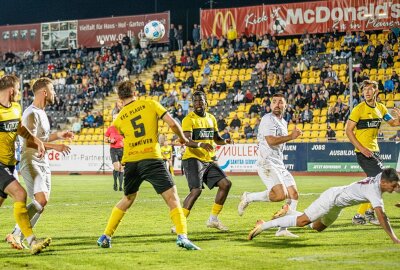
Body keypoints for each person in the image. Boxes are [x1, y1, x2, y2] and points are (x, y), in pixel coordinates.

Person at [97, 81, 200, 250]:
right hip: (151, 158)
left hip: (131, 161)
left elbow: (116, 135)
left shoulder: (120, 117)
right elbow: (173, 123)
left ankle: (105, 236)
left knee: (128, 198)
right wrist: (183, 138)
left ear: (120, 97)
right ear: (135, 92)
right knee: (173, 198)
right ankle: (182, 236)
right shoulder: (150, 104)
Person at [6, 77, 73, 250]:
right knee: (40, 200)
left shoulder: (41, 112)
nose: (55, 93)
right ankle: (16, 233)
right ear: (44, 92)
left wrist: (59, 135)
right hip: (31, 159)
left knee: (41, 204)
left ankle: (16, 234)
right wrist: (56, 147)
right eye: (52, 90)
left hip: (42, 161)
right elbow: (29, 142)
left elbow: (41, 138)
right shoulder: (31, 113)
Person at [248, 168, 400, 243]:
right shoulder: (373, 190)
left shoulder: (383, 175)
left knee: (317, 227)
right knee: (303, 221)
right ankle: (263, 225)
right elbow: (382, 216)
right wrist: (394, 238)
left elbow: (396, 181)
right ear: (383, 183)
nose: (394, 189)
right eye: (392, 187)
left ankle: (288, 213)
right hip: (332, 199)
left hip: (337, 206)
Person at [238, 94, 302, 237]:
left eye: (281, 102)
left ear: (285, 106)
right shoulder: (268, 119)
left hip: (279, 163)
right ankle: (248, 197)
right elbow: (271, 141)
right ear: (270, 105)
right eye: (274, 102)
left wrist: (291, 135)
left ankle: (282, 229)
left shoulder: (284, 122)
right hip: (266, 161)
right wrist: (291, 136)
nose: (277, 104)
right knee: (280, 195)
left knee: (294, 195)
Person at [0, 75, 51, 255]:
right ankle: (32, 241)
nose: (21, 92)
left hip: (10, 164)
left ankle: (18, 236)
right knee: (20, 194)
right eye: (19, 89)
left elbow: (21, 129)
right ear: (12, 90)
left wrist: (36, 140)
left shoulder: (15, 108)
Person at [346, 80, 400, 225]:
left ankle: (368, 213)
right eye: (365, 90)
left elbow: (393, 123)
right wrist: (361, 148)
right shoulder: (359, 109)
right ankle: (360, 215)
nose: (367, 92)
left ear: (376, 91)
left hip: (374, 151)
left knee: (378, 183)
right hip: (364, 153)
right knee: (381, 180)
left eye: (370, 89)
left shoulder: (381, 108)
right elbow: (348, 130)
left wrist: (398, 118)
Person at [179, 91, 233, 231]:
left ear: (206, 102)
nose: (198, 103)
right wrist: (200, 144)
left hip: (208, 159)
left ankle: (213, 219)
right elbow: (186, 140)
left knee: (226, 184)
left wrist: (225, 141)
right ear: (192, 103)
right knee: (196, 191)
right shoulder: (188, 119)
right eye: (195, 101)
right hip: (192, 158)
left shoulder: (211, 118)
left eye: (200, 101)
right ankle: (179, 223)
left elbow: (216, 139)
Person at [105, 125, 124, 191]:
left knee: (121, 168)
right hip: (113, 149)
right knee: (116, 167)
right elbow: (105, 139)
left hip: (122, 149)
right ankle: (115, 183)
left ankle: (121, 186)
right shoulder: (110, 128)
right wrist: (110, 141)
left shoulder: (123, 127)